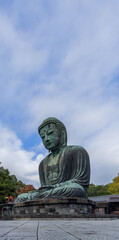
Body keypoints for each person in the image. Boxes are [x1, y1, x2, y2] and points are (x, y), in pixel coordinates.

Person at [14, 117, 90, 202]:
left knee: (76, 189)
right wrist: (43, 191)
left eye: (50, 133)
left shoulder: (77, 151)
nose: (46, 139)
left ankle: (43, 196)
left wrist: (55, 187)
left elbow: (81, 181)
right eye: (43, 137)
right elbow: (44, 187)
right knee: (21, 197)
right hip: (50, 192)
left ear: (62, 133)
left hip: (68, 189)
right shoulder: (43, 163)